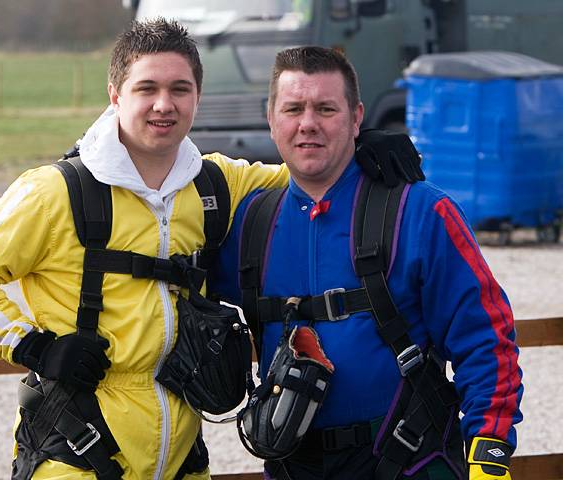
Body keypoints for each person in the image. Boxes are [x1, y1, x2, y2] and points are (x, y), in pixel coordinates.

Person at [0, 20, 421, 480]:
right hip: (76, 453)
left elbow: (306, 175)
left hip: (182, 458)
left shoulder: (215, 182)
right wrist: (32, 346)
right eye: (147, 88)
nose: (164, 104)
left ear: (197, 97)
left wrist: (358, 147)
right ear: (115, 95)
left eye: (179, 89)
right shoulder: (56, 192)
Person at [212, 46, 523, 480]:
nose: (308, 124)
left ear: (357, 117)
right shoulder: (249, 225)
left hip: (408, 460)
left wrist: (489, 451)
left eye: (326, 108)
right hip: (292, 466)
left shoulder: (419, 212)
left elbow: (486, 337)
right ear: (271, 118)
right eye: (293, 108)